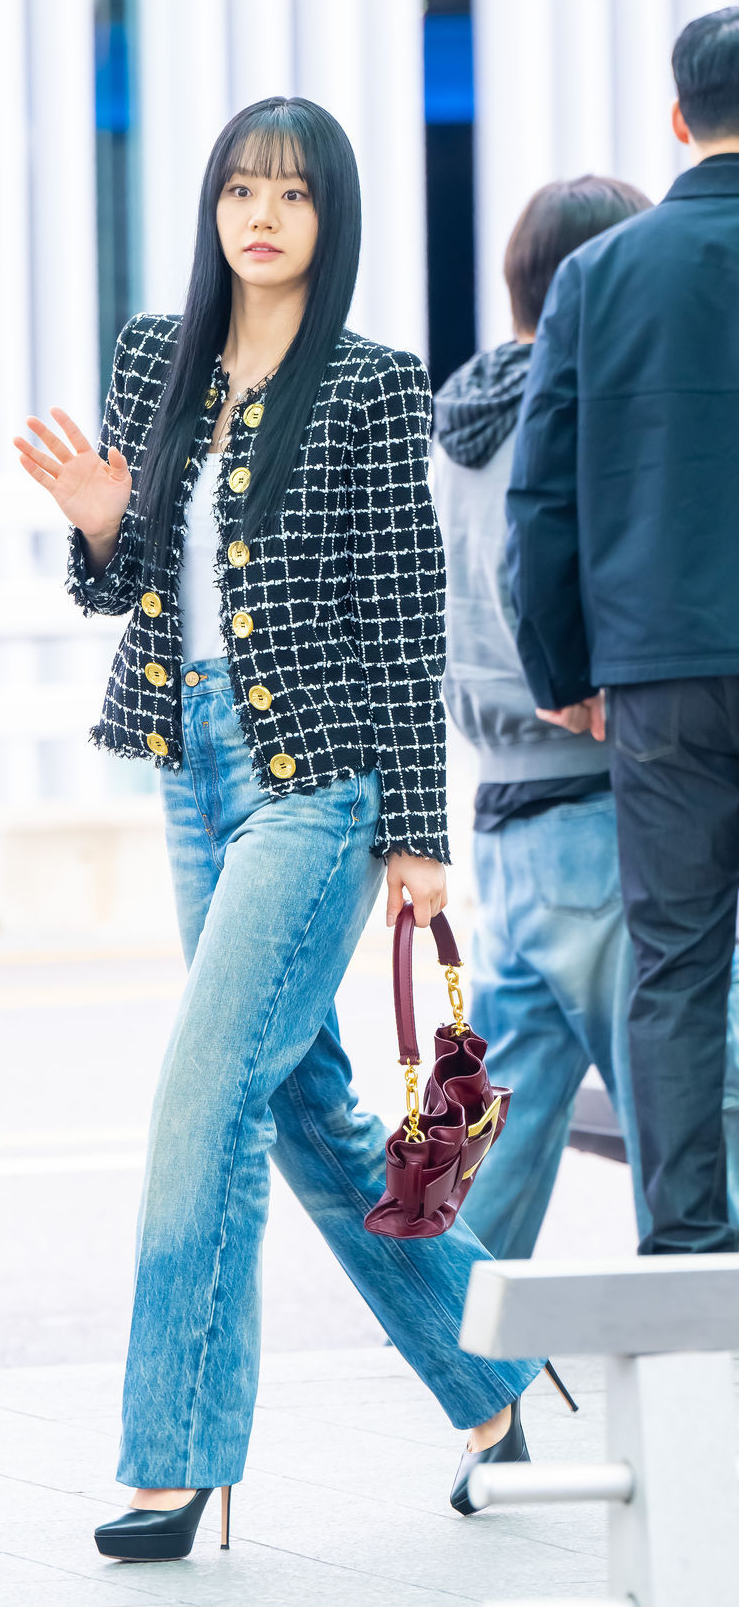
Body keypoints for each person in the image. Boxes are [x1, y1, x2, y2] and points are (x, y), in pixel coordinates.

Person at [14, 96, 557, 1559]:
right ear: (212, 209)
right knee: (305, 1103)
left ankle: (176, 1459)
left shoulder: (374, 386)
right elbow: (123, 589)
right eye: (241, 191)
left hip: (316, 787)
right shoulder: (155, 356)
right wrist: (98, 525)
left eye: (293, 195)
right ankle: (499, 1375)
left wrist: (418, 831)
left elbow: (404, 618)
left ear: (332, 218)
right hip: (187, 764)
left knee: (203, 1099)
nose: (262, 217)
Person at [506, 8, 739, 1255]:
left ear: (677, 119)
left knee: (676, 961)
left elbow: (542, 495)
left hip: (657, 674)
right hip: (663, 660)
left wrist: (562, 667)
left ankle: (690, 1244)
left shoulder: (597, 279)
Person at [432, 176, 652, 1260]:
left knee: (494, 1130)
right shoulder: (576, 425)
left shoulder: (456, 423)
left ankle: (443, 1311)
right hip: (594, 800)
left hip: (503, 812)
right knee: (694, 1104)